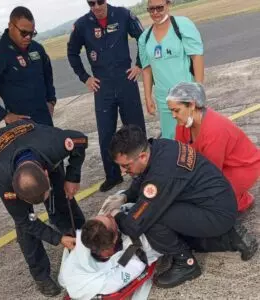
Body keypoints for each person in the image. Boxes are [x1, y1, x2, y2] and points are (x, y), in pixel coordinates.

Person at [100, 125, 258, 288]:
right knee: (159, 215)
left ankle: (186, 263)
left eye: (126, 166)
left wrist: (117, 214)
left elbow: (134, 226)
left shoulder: (161, 175)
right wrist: (125, 195)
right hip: (216, 202)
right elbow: (143, 178)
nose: (123, 171)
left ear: (142, 156)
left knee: (152, 219)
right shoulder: (160, 147)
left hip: (216, 213)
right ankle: (230, 238)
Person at [0, 120, 88, 297]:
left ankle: (80, 239)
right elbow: (25, 221)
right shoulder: (2, 177)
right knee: (25, 226)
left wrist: (73, 176)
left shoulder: (55, 145)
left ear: (46, 173)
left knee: (61, 199)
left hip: (37, 143)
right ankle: (40, 275)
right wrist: (57, 239)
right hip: (0, 149)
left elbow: (82, 140)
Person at [67, 0, 146, 192]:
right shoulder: (82, 24)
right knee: (106, 134)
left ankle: (144, 170)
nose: (96, 7)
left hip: (125, 80)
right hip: (102, 87)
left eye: (99, 2)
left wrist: (139, 64)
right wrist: (85, 78)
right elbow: (72, 52)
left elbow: (143, 38)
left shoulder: (123, 15)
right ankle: (113, 175)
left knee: (135, 129)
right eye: (91, 3)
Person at [166, 82, 260, 212]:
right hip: (220, 165)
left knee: (207, 199)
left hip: (243, 167)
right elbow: (180, 154)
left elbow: (211, 173)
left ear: (192, 105)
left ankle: (240, 200)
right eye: (171, 111)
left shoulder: (214, 130)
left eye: (176, 110)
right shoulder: (183, 122)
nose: (173, 116)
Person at [0, 6, 56, 126]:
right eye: (24, 33)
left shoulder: (37, 48)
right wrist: (2, 115)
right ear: (10, 26)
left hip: (45, 120)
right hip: (21, 125)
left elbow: (47, 75)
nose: (28, 37)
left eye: (32, 33)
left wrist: (51, 100)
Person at [59, 209, 161, 300]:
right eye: (109, 218)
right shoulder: (134, 258)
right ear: (115, 238)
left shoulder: (91, 240)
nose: (109, 214)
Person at [138, 0, 204, 139]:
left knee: (193, 137)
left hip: (187, 97)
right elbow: (147, 69)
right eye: (151, 9)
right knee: (170, 138)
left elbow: (196, 57)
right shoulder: (145, 38)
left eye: (159, 8)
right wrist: (148, 98)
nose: (155, 13)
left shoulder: (182, 25)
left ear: (168, 5)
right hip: (165, 101)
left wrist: (198, 90)